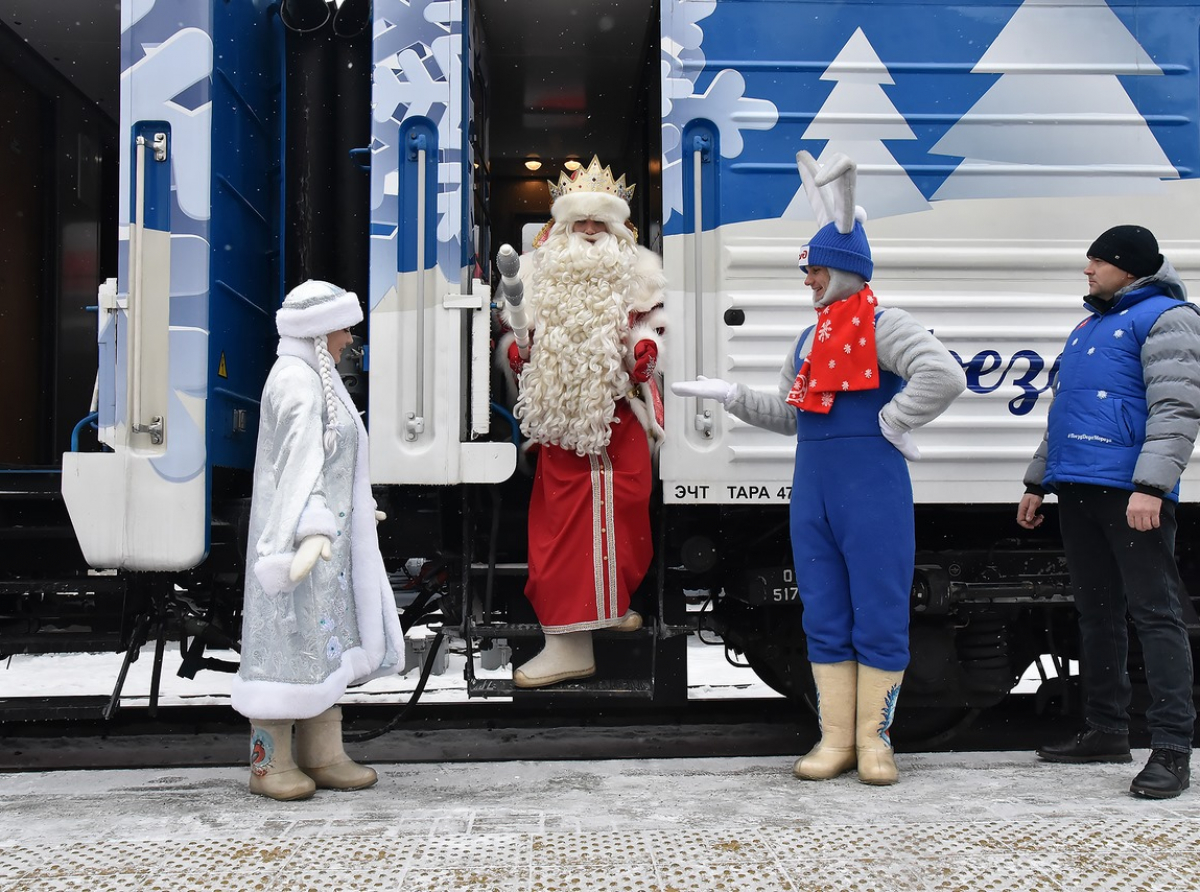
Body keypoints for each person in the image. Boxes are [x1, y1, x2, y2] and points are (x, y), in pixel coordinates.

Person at [672, 151, 965, 785]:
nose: (807, 281)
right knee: (823, 611)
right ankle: (836, 740)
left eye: (814, 270)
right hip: (814, 492)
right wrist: (732, 397)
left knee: (880, 610)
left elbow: (945, 374)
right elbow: (791, 417)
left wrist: (892, 421)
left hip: (872, 489)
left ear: (844, 269)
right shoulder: (809, 341)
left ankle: (876, 743)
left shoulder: (886, 326)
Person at [1018, 225, 1200, 799]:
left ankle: (1172, 748)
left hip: (1130, 493)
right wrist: (1037, 481)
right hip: (1078, 487)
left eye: (1097, 261)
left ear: (1129, 266)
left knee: (1156, 614)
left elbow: (1176, 407)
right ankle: (1106, 730)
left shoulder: (1169, 319)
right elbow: (1063, 409)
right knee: (1097, 614)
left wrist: (1151, 485)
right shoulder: (1092, 324)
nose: (1088, 270)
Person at [496, 156, 666, 689]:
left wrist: (644, 349)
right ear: (563, 227)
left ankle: (609, 602)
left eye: (600, 222)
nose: (590, 232)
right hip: (562, 421)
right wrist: (519, 358)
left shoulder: (639, 273)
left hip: (619, 418)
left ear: (617, 228)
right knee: (563, 528)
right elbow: (514, 337)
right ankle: (568, 644)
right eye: (580, 222)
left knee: (627, 513)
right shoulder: (539, 271)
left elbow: (654, 330)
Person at [231, 279, 405, 800]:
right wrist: (308, 530)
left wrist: (350, 511)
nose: (351, 338)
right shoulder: (297, 383)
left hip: (323, 545)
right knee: (286, 641)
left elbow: (325, 462)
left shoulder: (313, 377)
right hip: (297, 546)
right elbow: (295, 468)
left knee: (320, 641)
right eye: (343, 327)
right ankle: (269, 764)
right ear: (318, 332)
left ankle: (321, 754)